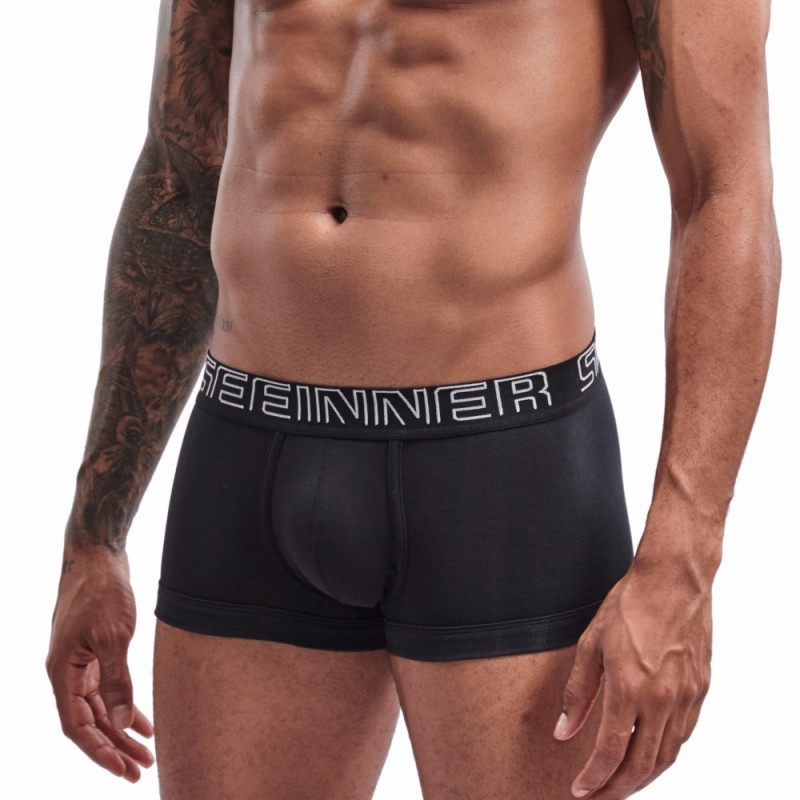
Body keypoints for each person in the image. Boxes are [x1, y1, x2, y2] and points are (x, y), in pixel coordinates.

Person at [46, 0, 780, 797]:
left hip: (501, 467)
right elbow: (180, 172)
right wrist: (95, 534)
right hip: (249, 449)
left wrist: (682, 563)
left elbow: (724, 191)